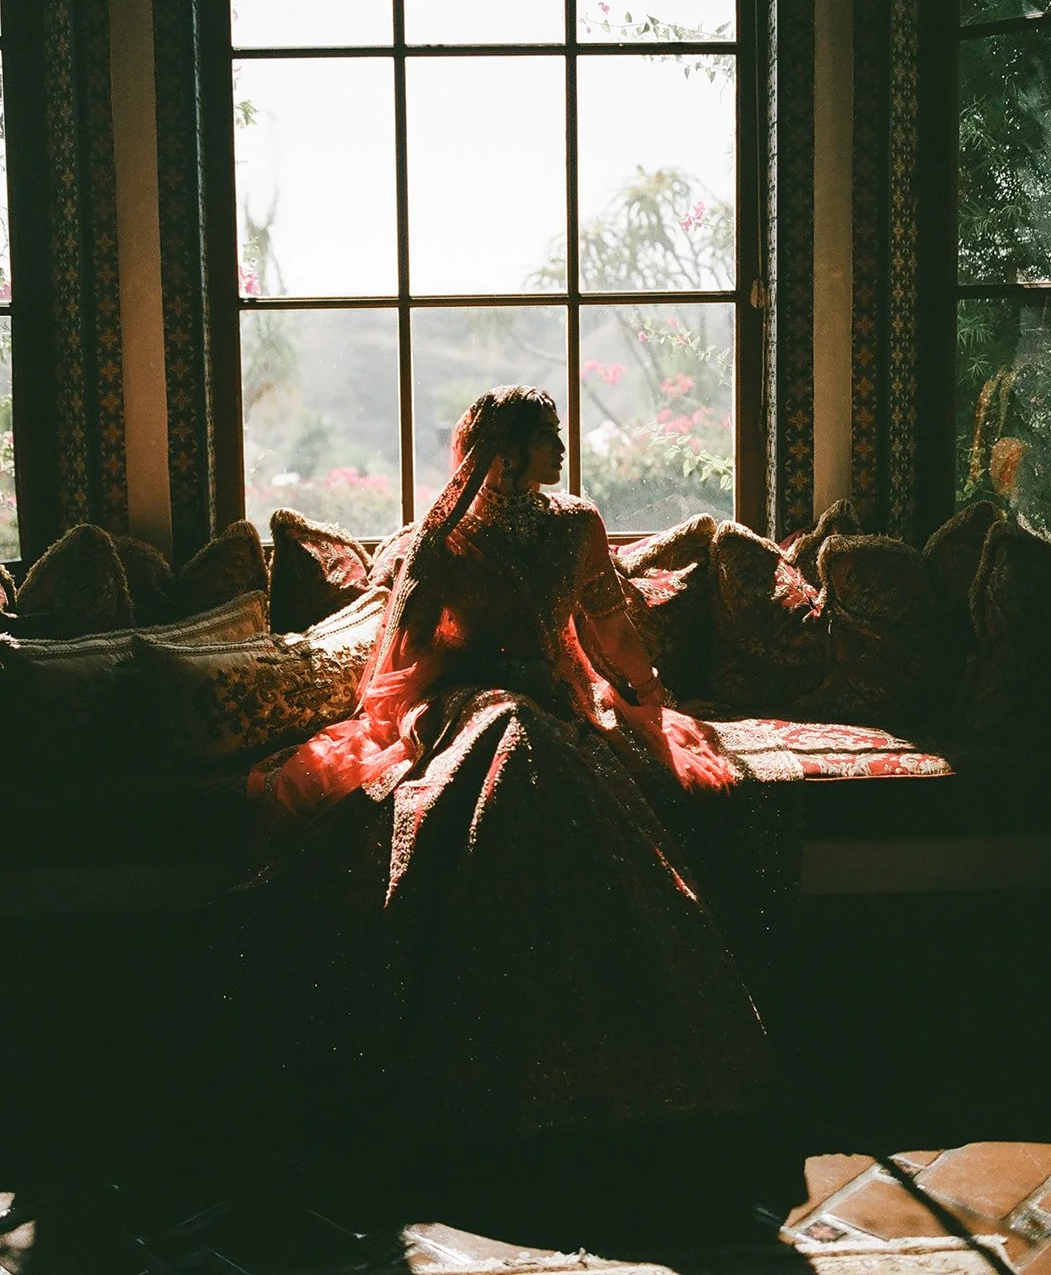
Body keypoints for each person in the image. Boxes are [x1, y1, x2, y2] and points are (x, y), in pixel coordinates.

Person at [232, 385, 784, 1167]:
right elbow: (404, 653)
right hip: (469, 698)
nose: (559, 447)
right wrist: (407, 702)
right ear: (503, 448)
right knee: (506, 733)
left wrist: (649, 695)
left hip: (560, 697)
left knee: (544, 740)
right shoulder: (444, 535)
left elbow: (609, 624)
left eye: (558, 433)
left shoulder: (576, 524)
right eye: (546, 434)